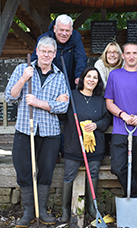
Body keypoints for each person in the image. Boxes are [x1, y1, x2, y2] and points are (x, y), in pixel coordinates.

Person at [4, 36, 69, 227]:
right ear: (37, 52)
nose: (46, 55)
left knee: (46, 170)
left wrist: (39, 103)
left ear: (55, 54)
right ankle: (28, 212)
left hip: (50, 132)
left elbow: (63, 107)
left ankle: (42, 211)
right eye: (43, 51)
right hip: (25, 129)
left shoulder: (59, 76)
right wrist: (24, 79)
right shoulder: (22, 70)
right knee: (24, 169)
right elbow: (10, 96)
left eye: (50, 52)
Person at [57, 67, 111, 222]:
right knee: (69, 175)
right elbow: (61, 116)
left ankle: (91, 208)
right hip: (73, 145)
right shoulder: (72, 97)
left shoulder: (101, 100)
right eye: (88, 76)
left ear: (98, 82)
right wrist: (59, 101)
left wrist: (97, 125)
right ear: (82, 79)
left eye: (95, 77)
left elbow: (107, 119)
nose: (91, 80)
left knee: (93, 173)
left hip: (95, 146)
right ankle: (66, 209)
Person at [104, 42, 137, 216]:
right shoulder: (115, 75)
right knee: (117, 166)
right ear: (122, 55)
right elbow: (109, 102)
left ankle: (133, 207)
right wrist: (123, 115)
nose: (131, 56)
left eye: (134, 53)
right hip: (120, 129)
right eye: (127, 53)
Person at [31, 14, 87, 157]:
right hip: (49, 82)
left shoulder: (76, 38)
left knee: (68, 115)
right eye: (61, 30)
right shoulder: (44, 39)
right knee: (51, 114)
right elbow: (35, 60)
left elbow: (81, 58)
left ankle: (67, 149)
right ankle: (50, 151)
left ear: (72, 30)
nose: (64, 33)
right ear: (55, 28)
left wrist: (78, 76)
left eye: (67, 31)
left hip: (69, 83)